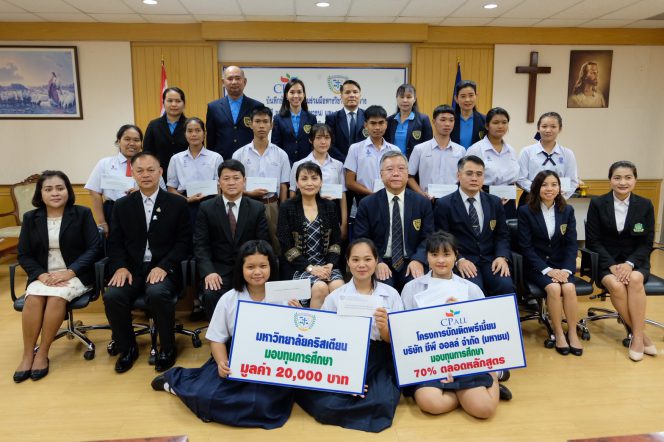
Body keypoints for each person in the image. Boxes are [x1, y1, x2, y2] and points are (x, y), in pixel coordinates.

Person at [152, 240, 296, 429]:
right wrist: (222, 363)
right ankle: (174, 383)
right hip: (235, 358)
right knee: (209, 397)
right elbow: (217, 339)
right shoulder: (229, 299)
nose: (257, 272)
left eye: (263, 266)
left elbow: (294, 339)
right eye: (250, 267)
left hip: (270, 362)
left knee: (263, 405)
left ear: (272, 267)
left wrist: (297, 314)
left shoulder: (284, 298)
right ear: (241, 269)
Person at [295, 238, 403, 433]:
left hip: (379, 356)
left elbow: (398, 343)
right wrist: (347, 376)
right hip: (344, 356)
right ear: (347, 262)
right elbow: (325, 339)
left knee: (381, 403)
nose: (361, 265)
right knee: (326, 405)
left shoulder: (391, 294)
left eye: (367, 259)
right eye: (355, 259)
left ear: (376, 261)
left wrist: (384, 329)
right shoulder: (336, 297)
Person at [401, 231, 507, 416]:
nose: (440, 260)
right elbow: (406, 331)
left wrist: (460, 316)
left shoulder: (471, 289)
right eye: (434, 254)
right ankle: (463, 395)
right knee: (431, 404)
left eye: (446, 254)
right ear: (426, 257)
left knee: (484, 410)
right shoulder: (411, 288)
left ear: (456, 256)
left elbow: (483, 330)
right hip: (429, 358)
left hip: (464, 357)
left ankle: (493, 374)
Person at [104, 152, 191, 374]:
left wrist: (164, 266)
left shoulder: (177, 204)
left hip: (164, 267)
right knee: (113, 295)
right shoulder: (122, 205)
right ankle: (127, 349)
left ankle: (167, 349)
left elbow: (184, 243)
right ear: (133, 174)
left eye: (151, 170)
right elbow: (115, 243)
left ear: (160, 172)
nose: (145, 175)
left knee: (157, 292)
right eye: (140, 171)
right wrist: (120, 266)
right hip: (131, 269)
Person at [14, 171, 101, 383]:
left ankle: (42, 353)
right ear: (40, 193)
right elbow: (24, 254)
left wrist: (70, 271)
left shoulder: (82, 214)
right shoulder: (31, 218)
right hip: (44, 275)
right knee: (33, 299)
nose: (55, 193)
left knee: (55, 298)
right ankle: (28, 354)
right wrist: (41, 275)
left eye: (60, 188)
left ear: (68, 191)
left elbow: (94, 248)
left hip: (75, 274)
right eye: (48, 189)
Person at [586, 161, 656, 361]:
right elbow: (593, 241)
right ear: (610, 180)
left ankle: (636, 337)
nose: (622, 182)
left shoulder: (645, 204)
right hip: (605, 261)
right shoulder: (598, 204)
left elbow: (646, 242)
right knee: (616, 285)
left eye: (628, 177)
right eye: (617, 178)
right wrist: (612, 265)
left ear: (635, 180)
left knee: (635, 279)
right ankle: (641, 335)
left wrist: (629, 264)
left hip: (636, 260)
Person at [195, 159, 270, 319]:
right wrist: (209, 272)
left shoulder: (257, 208)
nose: (231, 183)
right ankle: (219, 333)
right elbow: (201, 245)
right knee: (211, 293)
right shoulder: (206, 208)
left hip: (248, 268)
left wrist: (255, 269)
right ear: (219, 182)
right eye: (226, 178)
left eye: (236, 178)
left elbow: (262, 243)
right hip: (218, 270)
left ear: (244, 181)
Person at [517, 171, 582, 356]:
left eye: (554, 184)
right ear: (536, 188)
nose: (549, 189)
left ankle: (572, 333)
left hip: (561, 265)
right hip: (536, 266)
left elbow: (571, 244)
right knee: (553, 289)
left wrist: (567, 269)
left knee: (569, 288)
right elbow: (526, 247)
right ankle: (558, 333)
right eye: (544, 185)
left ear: (559, 188)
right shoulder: (525, 211)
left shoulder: (567, 210)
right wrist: (547, 270)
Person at [434, 156, 513, 297]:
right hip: (464, 260)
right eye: (469, 173)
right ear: (458, 175)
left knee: (505, 286)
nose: (474, 178)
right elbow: (443, 240)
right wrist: (459, 259)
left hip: (491, 260)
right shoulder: (444, 204)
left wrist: (502, 257)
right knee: (473, 290)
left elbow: (502, 235)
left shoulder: (494, 202)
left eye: (479, 174)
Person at [354, 151, 433, 292]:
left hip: (411, 260)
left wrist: (418, 259)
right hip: (380, 260)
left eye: (401, 168)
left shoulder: (422, 203)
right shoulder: (367, 204)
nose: (396, 173)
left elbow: (428, 237)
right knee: (382, 290)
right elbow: (362, 238)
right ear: (381, 174)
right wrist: (376, 261)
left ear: (408, 173)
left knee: (417, 288)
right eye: (390, 169)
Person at [278, 162, 344, 308]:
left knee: (338, 287)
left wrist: (330, 265)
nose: (309, 183)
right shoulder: (287, 207)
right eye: (304, 178)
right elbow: (285, 245)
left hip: (326, 266)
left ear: (321, 182)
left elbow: (336, 241)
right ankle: (314, 323)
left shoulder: (330, 206)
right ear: (297, 183)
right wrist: (311, 268)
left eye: (314, 178)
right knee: (320, 287)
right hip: (297, 267)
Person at [232, 106, 290, 254]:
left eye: (265, 121)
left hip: (271, 205)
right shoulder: (239, 154)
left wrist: (282, 210)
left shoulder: (281, 154)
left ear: (272, 125)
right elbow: (234, 184)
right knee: (247, 245)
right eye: (257, 121)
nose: (261, 126)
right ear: (250, 124)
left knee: (276, 245)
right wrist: (248, 193)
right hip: (246, 204)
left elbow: (284, 185)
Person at [289, 123, 348, 239]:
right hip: (305, 213)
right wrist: (293, 218)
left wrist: (344, 224)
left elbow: (343, 194)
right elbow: (292, 193)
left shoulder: (338, 165)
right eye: (318, 138)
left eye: (327, 137)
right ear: (311, 140)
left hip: (332, 213)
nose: (323, 142)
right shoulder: (298, 165)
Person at [85, 124, 144, 237]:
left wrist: (143, 192)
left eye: (136, 140)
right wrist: (101, 222)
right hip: (112, 211)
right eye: (127, 139)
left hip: (141, 209)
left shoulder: (148, 165)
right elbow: (95, 192)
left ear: (141, 143)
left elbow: (159, 190)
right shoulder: (105, 163)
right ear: (118, 141)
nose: (132, 143)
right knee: (114, 244)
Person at [166, 117, 223, 227]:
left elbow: (219, 188)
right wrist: (187, 200)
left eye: (198, 130)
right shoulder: (176, 159)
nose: (194, 134)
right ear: (185, 134)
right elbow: (171, 189)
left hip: (211, 204)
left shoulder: (216, 157)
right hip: (185, 203)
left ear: (204, 133)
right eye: (190, 131)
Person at [466, 107, 519, 219]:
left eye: (504, 122)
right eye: (495, 122)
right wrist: (484, 196)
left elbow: (515, 177)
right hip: (483, 196)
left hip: (509, 199)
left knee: (508, 228)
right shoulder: (476, 149)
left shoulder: (511, 150)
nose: (500, 126)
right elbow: (467, 176)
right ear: (487, 126)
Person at [517, 112, 579, 204]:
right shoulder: (526, 152)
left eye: (553, 127)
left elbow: (572, 181)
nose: (548, 130)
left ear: (560, 129)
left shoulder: (567, 153)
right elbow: (520, 178)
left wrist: (560, 197)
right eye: (544, 126)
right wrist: (539, 191)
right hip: (530, 199)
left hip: (557, 200)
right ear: (538, 128)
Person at [408, 104, 465, 200]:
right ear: (434, 122)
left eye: (451, 120)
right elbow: (409, 177)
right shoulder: (419, 149)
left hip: (453, 201)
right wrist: (421, 194)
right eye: (443, 120)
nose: (447, 124)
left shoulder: (461, 150)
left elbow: (464, 177)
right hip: (427, 200)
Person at [344, 105, 400, 203]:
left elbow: (400, 176)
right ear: (365, 125)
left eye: (381, 123)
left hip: (390, 198)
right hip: (364, 198)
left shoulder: (395, 150)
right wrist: (371, 194)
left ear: (386, 124)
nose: (377, 127)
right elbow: (349, 182)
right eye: (373, 123)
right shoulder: (355, 148)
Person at [206, 66, 263, 159]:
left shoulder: (257, 106)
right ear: (223, 82)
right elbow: (210, 139)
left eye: (237, 78)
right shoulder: (213, 107)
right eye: (230, 79)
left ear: (244, 82)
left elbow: (261, 136)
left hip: (250, 159)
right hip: (222, 160)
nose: (234, 82)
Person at [143, 87, 188, 181]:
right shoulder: (153, 125)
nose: (174, 104)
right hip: (160, 176)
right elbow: (147, 153)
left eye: (178, 101)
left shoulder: (190, 125)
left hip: (186, 174)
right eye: (170, 101)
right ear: (163, 103)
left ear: (184, 104)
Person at [271, 78, 318, 165]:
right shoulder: (278, 119)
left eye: (299, 92)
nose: (296, 96)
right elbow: (276, 146)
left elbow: (314, 144)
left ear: (304, 95)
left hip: (307, 165)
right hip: (285, 165)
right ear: (286, 95)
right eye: (292, 92)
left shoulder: (311, 118)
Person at [385, 83, 433, 158]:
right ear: (397, 98)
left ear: (414, 99)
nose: (405, 100)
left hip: (414, 163)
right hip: (393, 162)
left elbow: (428, 145)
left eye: (408, 97)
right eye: (401, 97)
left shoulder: (423, 119)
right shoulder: (389, 120)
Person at [326, 79, 365, 162]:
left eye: (355, 92)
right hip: (340, 163)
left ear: (360, 95)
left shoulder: (368, 116)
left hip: (364, 162)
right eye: (347, 92)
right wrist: (347, 161)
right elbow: (329, 144)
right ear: (341, 96)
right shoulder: (332, 118)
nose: (352, 95)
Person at [450, 80, 486, 149]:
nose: (467, 100)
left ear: (476, 96)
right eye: (463, 96)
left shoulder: (485, 120)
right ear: (456, 99)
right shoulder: (450, 120)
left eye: (471, 95)